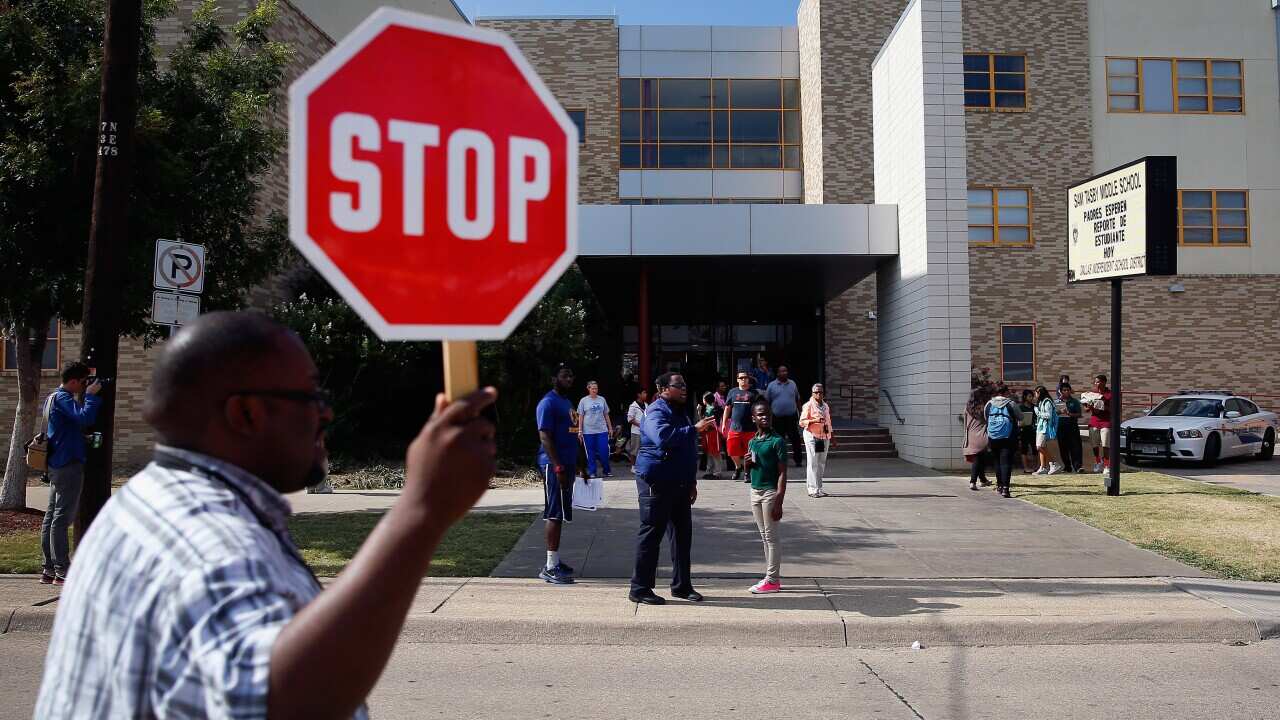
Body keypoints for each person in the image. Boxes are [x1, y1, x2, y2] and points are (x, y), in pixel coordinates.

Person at [34, 312, 497, 719]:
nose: (327, 412)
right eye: (311, 396)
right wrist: (421, 510)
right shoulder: (207, 543)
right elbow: (282, 704)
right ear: (247, 413)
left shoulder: (147, 501)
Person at [630, 372, 713, 605]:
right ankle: (639, 588)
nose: (684, 388)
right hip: (656, 481)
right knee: (651, 533)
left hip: (679, 483)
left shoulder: (680, 412)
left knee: (682, 536)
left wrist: (691, 481)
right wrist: (695, 429)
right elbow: (663, 438)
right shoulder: (656, 411)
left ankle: (681, 586)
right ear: (662, 388)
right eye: (679, 385)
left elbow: (685, 450)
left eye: (685, 384)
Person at [38, 362, 103, 585]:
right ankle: (62, 569)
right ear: (74, 381)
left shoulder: (51, 398)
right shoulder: (64, 398)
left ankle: (48, 569)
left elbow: (64, 427)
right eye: (84, 382)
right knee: (61, 517)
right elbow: (85, 418)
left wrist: (79, 438)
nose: (86, 386)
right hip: (67, 464)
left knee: (51, 515)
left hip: (57, 462)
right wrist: (93, 396)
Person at [537, 365, 579, 585]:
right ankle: (550, 567)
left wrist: (579, 464)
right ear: (554, 378)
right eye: (565, 375)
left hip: (568, 464)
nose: (569, 378)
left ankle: (555, 560)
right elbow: (545, 436)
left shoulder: (567, 402)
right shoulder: (548, 402)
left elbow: (572, 433)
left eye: (571, 375)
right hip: (554, 466)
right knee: (554, 512)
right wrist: (558, 467)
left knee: (561, 512)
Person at [744, 399, 787, 594]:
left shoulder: (777, 440)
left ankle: (772, 580)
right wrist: (746, 465)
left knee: (772, 537)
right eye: (760, 414)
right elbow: (749, 472)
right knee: (764, 536)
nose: (765, 417)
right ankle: (770, 576)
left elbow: (782, 473)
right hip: (755, 490)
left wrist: (779, 500)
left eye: (767, 414)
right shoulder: (753, 441)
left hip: (770, 492)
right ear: (753, 418)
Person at [984, 384, 1023, 498]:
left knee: (997, 461)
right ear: (1006, 392)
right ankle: (1006, 488)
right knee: (1006, 462)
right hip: (1008, 437)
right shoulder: (1010, 403)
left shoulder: (989, 404)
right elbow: (1021, 417)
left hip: (993, 436)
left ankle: (1000, 485)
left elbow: (986, 418)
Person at [722, 371, 760, 482]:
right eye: (741, 378)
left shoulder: (754, 393)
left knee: (750, 452)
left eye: (746, 377)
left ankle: (747, 472)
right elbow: (727, 408)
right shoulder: (732, 392)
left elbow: (758, 409)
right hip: (735, 427)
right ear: (738, 379)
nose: (744, 379)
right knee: (732, 451)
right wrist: (724, 423)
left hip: (750, 428)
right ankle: (738, 467)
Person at [766, 365, 804, 468]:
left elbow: (797, 399)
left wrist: (802, 413)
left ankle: (798, 460)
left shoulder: (792, 384)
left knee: (795, 439)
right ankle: (779, 460)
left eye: (786, 371)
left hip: (791, 417)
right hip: (777, 418)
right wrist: (768, 418)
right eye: (782, 371)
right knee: (778, 440)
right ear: (777, 373)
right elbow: (767, 403)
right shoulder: (771, 386)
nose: (784, 373)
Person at [798, 383, 832, 498]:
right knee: (813, 462)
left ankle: (819, 488)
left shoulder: (826, 406)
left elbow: (829, 422)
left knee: (821, 463)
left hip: (825, 436)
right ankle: (812, 489)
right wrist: (814, 420)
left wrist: (832, 436)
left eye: (821, 392)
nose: (818, 394)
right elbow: (801, 422)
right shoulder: (808, 405)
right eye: (816, 392)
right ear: (812, 393)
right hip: (812, 436)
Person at [576, 380, 613, 478]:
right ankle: (592, 471)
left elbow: (606, 414)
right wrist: (580, 430)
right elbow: (580, 416)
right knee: (590, 452)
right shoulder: (583, 401)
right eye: (592, 388)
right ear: (588, 389)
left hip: (602, 430)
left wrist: (610, 428)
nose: (595, 390)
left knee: (604, 451)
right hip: (588, 431)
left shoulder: (602, 399)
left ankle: (606, 470)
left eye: (596, 388)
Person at [963, 388, 991, 490]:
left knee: (978, 459)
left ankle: (982, 480)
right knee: (979, 459)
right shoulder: (985, 408)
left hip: (971, 435)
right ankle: (973, 481)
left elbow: (965, 423)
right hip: (983, 435)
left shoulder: (967, 408)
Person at [1086, 374, 1113, 477]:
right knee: (1094, 443)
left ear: (1104, 382)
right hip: (1094, 420)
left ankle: (1107, 466)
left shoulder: (1110, 394)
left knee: (1106, 443)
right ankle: (1098, 461)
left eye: (1098, 382)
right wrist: (1089, 405)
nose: (1096, 384)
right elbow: (1086, 409)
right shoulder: (1092, 393)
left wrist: (1102, 406)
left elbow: (1113, 409)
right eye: (1095, 382)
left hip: (1105, 421)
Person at [1033, 385, 1063, 475]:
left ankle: (1054, 464)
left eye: (1036, 393)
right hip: (1040, 427)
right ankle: (1043, 467)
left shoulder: (1047, 402)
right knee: (1042, 447)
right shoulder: (1041, 402)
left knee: (1039, 447)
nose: (1035, 395)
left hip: (1045, 427)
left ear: (1039, 393)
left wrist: (1038, 413)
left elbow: (1048, 415)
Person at [1057, 382, 1084, 473]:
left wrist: (1070, 414)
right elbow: (1053, 414)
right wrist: (1059, 412)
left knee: (1076, 447)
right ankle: (1067, 466)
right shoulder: (1056, 402)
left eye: (1068, 390)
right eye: (1064, 390)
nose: (1066, 392)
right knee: (1063, 448)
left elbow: (1079, 414)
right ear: (1060, 391)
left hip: (1072, 426)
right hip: (1061, 427)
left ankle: (1078, 466)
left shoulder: (1074, 401)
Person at [698, 392, 723, 479]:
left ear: (705, 400)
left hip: (713, 432)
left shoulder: (712, 409)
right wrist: (699, 411)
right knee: (709, 452)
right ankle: (709, 471)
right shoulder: (708, 408)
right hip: (707, 432)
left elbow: (710, 421)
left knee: (715, 452)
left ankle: (717, 472)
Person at [625, 387, 648, 465]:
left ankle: (641, 465)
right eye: (644, 393)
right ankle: (633, 466)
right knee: (634, 450)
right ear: (639, 395)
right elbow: (630, 419)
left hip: (645, 432)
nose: (646, 395)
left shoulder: (646, 405)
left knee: (644, 449)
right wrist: (640, 425)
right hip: (636, 432)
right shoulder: (633, 406)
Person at [1018, 389, 1037, 473]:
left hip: (1033, 430)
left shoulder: (1034, 407)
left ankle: (1036, 467)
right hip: (1023, 430)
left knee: (1035, 448)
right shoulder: (1020, 407)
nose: (1031, 398)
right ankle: (1026, 467)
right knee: (1024, 449)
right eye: (1029, 396)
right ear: (1025, 397)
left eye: (1032, 396)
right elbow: (1017, 418)